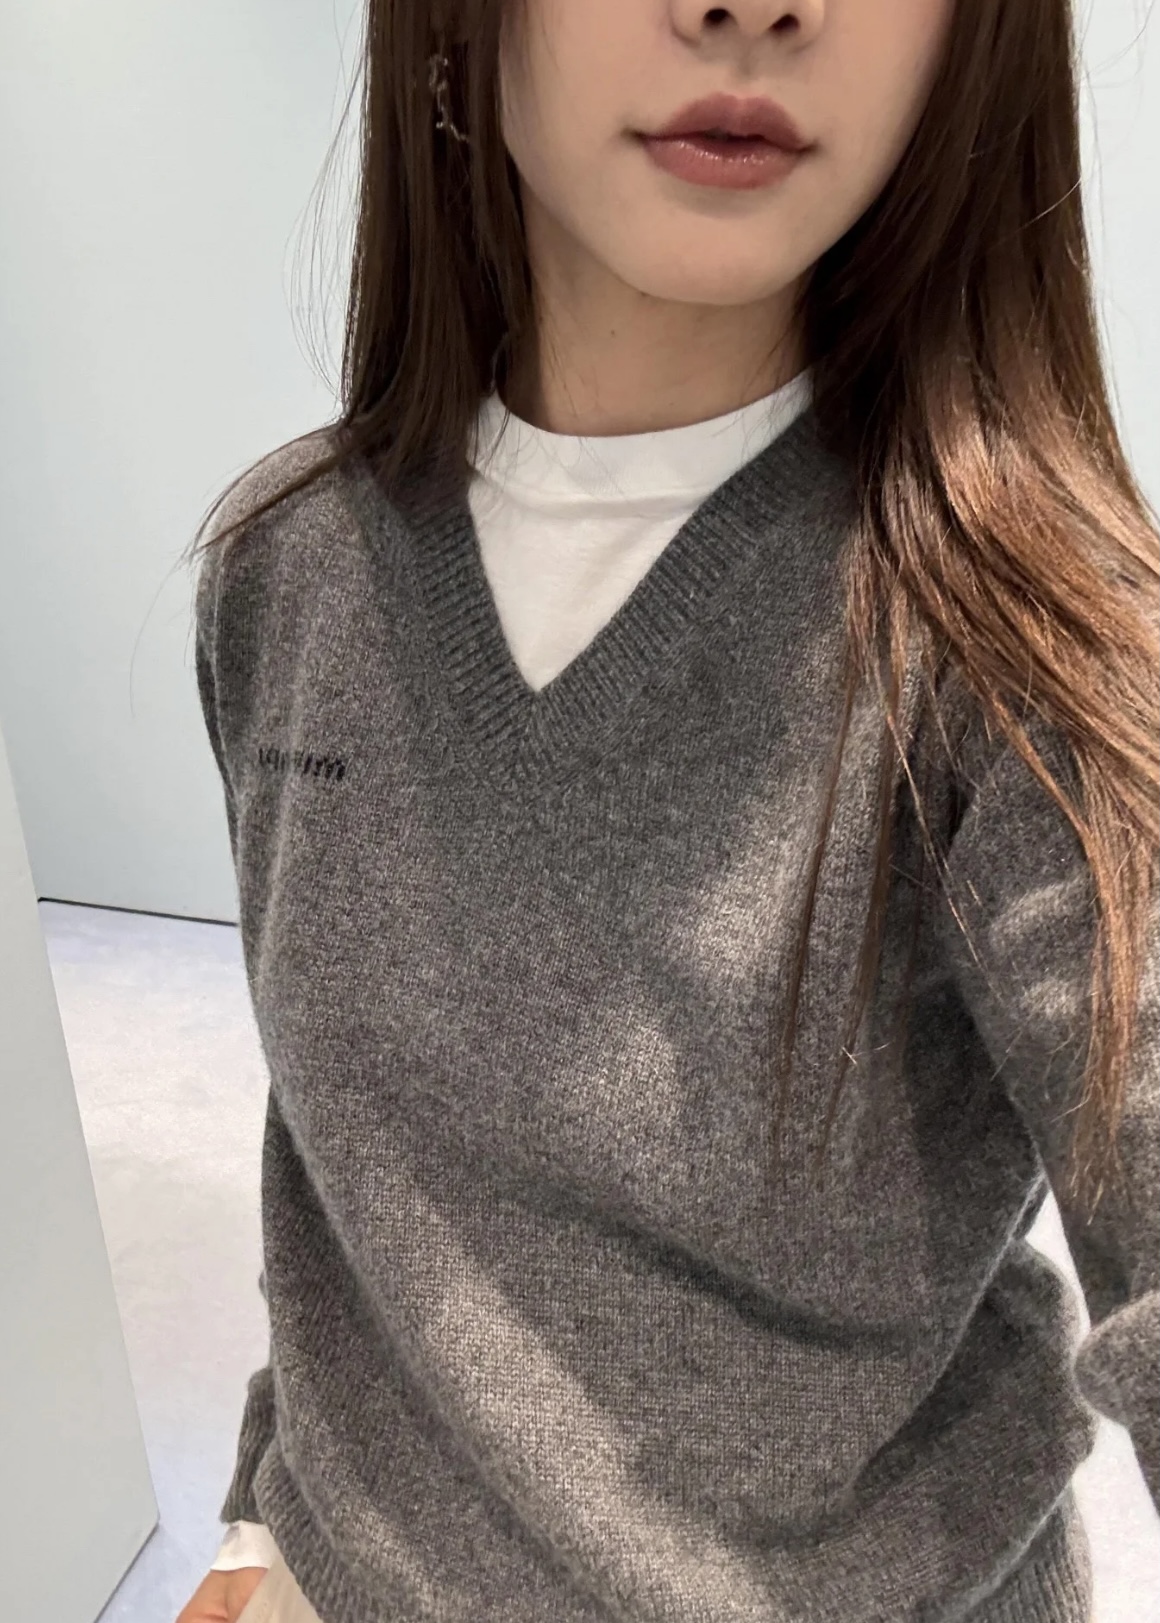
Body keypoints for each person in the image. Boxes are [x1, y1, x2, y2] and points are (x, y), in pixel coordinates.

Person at [177, 0, 1160, 1619]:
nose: (754, 6)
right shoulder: (289, 571)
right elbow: (348, 1164)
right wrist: (258, 1523)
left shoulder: (1039, 653)